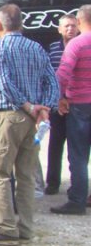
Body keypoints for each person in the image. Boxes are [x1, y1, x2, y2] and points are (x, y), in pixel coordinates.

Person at [0, 3, 59, 244]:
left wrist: (27, 105)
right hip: (34, 119)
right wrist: (44, 107)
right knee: (25, 175)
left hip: (10, 115)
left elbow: (3, 82)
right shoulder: (36, 47)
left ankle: (5, 228)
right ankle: (26, 228)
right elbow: (52, 82)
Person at [52, 4, 91, 215]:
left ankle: (77, 200)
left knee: (78, 155)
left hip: (80, 106)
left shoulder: (76, 44)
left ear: (79, 21)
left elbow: (63, 73)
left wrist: (60, 98)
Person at [45, 14, 81, 195]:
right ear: (59, 29)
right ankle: (52, 182)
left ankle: (77, 185)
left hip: (77, 104)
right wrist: (57, 99)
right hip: (57, 105)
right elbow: (52, 77)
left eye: (73, 26)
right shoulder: (53, 48)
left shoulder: (83, 47)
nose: (70, 29)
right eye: (66, 26)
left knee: (77, 147)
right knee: (55, 144)